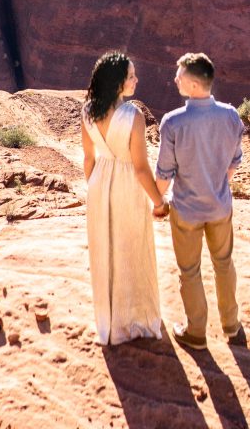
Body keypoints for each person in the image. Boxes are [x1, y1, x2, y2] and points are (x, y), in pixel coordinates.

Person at [155, 52, 245, 350]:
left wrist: (159, 201)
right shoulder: (231, 116)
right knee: (224, 263)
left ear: (193, 84)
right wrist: (216, 185)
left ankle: (196, 332)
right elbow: (233, 162)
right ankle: (232, 326)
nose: (175, 79)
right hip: (220, 207)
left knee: (190, 271)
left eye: (179, 75)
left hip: (187, 211)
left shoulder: (173, 123)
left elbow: (164, 174)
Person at [81, 50, 167, 346]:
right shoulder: (133, 116)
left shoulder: (87, 111)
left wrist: (95, 188)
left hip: (98, 184)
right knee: (131, 248)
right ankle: (134, 320)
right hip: (127, 185)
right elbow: (141, 168)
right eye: (131, 76)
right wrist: (159, 202)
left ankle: (110, 320)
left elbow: (88, 159)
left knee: (104, 249)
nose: (136, 80)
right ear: (119, 82)